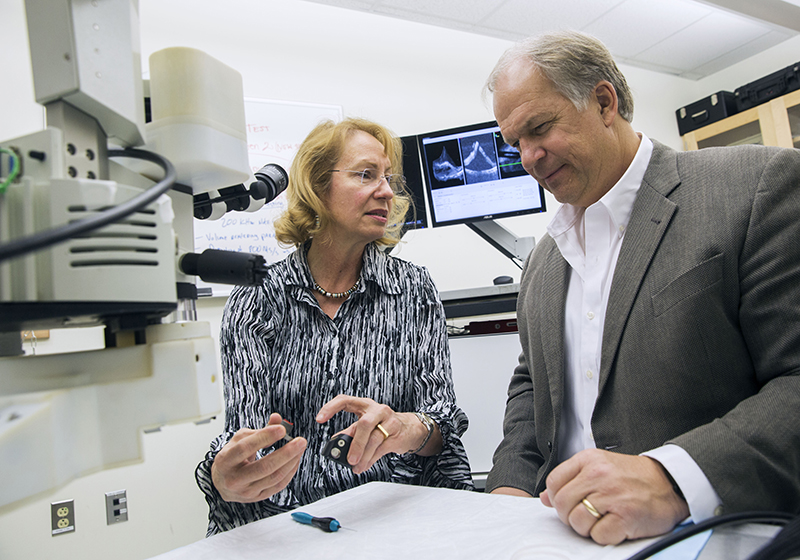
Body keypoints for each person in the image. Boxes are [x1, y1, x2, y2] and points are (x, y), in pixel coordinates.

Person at [482, 30, 800, 545]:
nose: (528, 156)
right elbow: (532, 385)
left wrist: (675, 478)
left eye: (539, 129)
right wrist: (511, 486)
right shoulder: (544, 258)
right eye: (514, 142)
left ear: (604, 102)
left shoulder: (756, 187)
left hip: (710, 534)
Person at [195, 117, 474, 536]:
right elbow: (245, 437)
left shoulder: (412, 289)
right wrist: (225, 475)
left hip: (391, 517)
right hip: (292, 525)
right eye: (365, 174)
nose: (386, 191)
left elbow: (441, 426)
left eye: (388, 179)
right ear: (316, 186)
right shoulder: (256, 299)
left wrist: (405, 429)